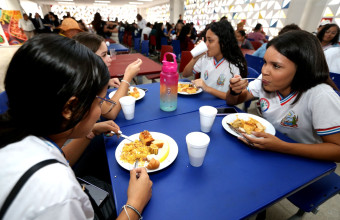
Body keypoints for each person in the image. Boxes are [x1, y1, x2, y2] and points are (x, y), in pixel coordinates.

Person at [0, 34, 152, 219]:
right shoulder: (58, 194)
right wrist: (135, 204)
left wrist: (91, 130)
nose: (101, 110)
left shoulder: (18, 137)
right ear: (70, 108)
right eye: (100, 101)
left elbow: (59, 158)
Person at [226, 30, 340, 162]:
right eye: (265, 62)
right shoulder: (266, 80)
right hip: (271, 153)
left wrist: (282, 146)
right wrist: (235, 91)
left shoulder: (321, 95)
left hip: (305, 162)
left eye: (276, 66)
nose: (264, 71)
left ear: (302, 69)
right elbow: (231, 101)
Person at [73, 32, 142, 120]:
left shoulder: (81, 78)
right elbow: (110, 112)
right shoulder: (85, 87)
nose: (109, 59)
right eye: (104, 55)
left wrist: (108, 81)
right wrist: (127, 78)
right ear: (87, 60)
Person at [182, 20, 247, 100]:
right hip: (203, 102)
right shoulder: (205, 57)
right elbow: (185, 74)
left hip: (222, 106)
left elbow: (234, 99)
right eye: (206, 40)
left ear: (223, 43)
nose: (206, 44)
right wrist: (195, 57)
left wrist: (207, 88)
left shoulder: (235, 64)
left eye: (210, 40)